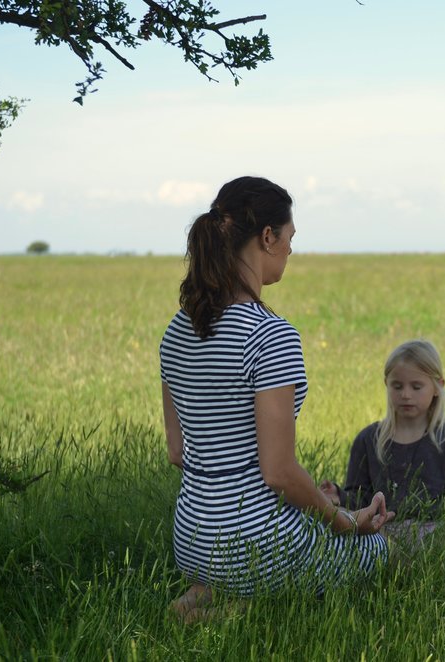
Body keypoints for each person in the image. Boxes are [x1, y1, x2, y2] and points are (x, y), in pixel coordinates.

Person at [159, 176, 393, 622]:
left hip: (190, 537)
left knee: (249, 559)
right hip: (257, 539)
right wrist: (345, 522)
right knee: (381, 550)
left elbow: (178, 452)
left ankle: (210, 595)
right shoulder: (270, 336)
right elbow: (279, 471)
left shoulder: (176, 333)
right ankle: (250, 607)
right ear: (267, 237)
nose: (290, 249)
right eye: (289, 238)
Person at [320, 339, 445, 546]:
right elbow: (361, 500)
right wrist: (339, 496)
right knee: (328, 512)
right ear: (386, 384)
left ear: (438, 386)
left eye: (416, 387)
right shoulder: (368, 439)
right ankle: (392, 555)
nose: (406, 395)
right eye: (397, 386)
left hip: (437, 533)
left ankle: (424, 556)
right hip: (380, 532)